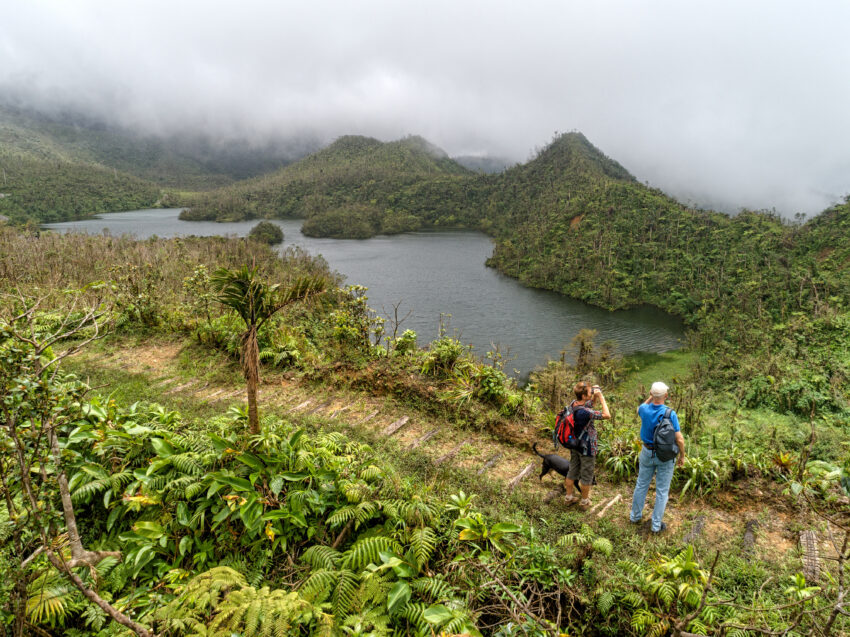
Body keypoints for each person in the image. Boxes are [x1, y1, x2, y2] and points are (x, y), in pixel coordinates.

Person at [629, 381, 686, 533]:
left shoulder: (644, 410)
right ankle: (655, 526)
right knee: (662, 491)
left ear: (651, 394)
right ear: (666, 396)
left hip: (647, 452)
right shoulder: (670, 413)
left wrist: (650, 397)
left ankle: (635, 517)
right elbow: (679, 439)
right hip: (665, 456)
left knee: (641, 484)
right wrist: (682, 456)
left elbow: (640, 407)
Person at [564, 381, 610, 509]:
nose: (592, 393)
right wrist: (601, 397)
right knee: (587, 475)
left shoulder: (574, 404)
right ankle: (584, 502)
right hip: (587, 446)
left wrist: (593, 395)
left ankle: (568, 497)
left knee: (572, 469)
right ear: (584, 396)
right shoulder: (585, 412)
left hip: (575, 444)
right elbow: (607, 415)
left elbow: (589, 405)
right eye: (590, 392)